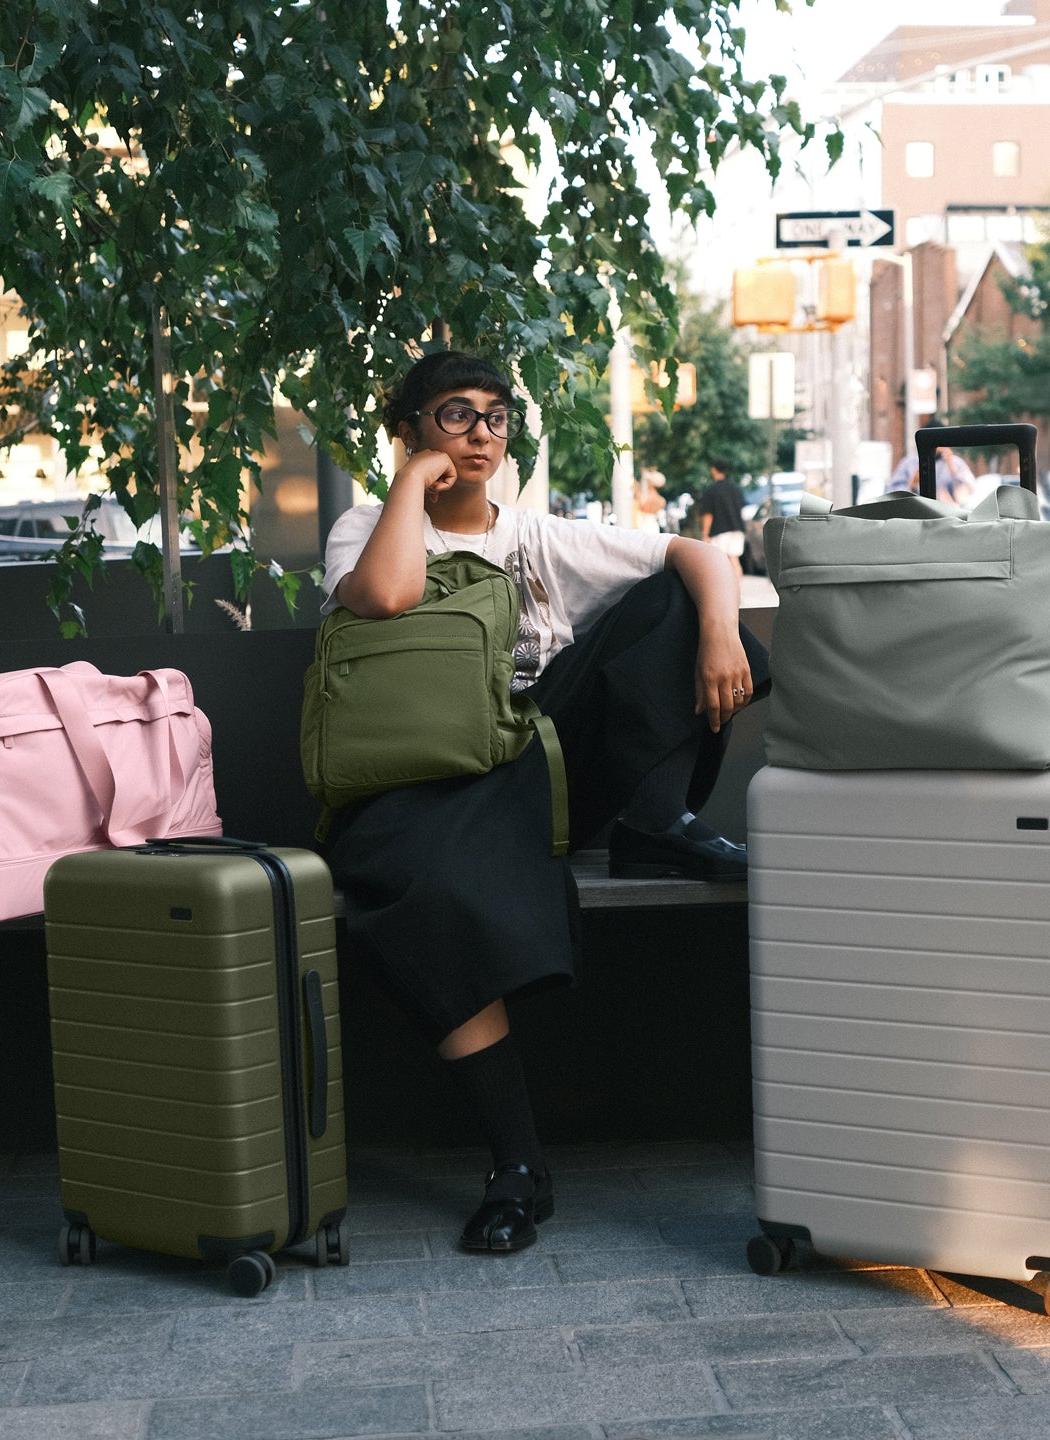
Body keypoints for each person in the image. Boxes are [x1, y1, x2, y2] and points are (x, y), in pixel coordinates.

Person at [319, 350, 769, 1257]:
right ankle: (519, 1163)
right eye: (454, 415)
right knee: (427, 897)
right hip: (413, 784)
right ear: (408, 430)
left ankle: (657, 822)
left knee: (671, 600)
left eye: (494, 417)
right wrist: (414, 479)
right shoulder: (365, 528)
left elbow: (696, 553)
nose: (480, 433)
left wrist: (722, 635)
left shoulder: (534, 536)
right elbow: (389, 595)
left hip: (532, 762)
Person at [887, 418, 975, 505]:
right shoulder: (909, 463)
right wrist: (912, 485)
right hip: (918, 510)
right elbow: (892, 492)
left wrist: (951, 467)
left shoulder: (957, 463)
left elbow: (969, 492)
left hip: (948, 512)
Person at [696, 460, 746, 575]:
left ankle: (725, 591)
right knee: (734, 560)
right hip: (737, 529)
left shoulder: (711, 490)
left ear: (713, 469)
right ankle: (737, 590)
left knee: (720, 563)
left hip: (719, 531)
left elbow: (708, 514)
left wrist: (705, 534)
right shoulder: (736, 489)